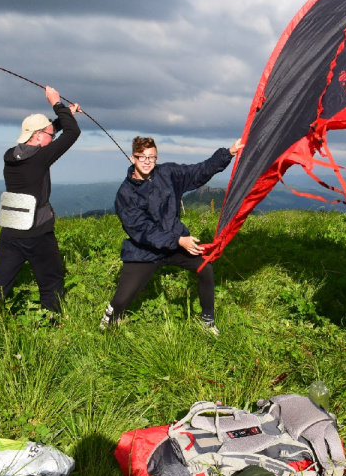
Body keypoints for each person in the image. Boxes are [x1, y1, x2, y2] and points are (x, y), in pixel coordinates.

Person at [101, 135, 243, 335]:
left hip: (175, 244)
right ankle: (109, 319)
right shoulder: (125, 194)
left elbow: (197, 172)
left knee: (205, 266)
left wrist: (228, 153)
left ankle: (208, 322)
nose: (147, 161)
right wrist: (178, 240)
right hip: (145, 252)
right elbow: (142, 230)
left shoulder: (167, 173)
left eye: (152, 157)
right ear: (132, 158)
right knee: (123, 298)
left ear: (157, 158)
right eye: (142, 157)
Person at [0, 86, 81, 318]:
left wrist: (67, 113)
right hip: (38, 231)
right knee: (51, 281)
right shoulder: (40, 158)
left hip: (11, 230)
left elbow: (53, 130)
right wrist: (56, 103)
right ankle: (49, 325)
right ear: (36, 136)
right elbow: (72, 133)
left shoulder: (11, 156)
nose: (52, 138)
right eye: (49, 135)